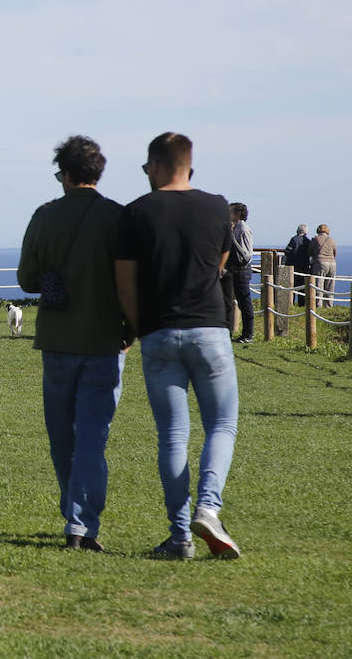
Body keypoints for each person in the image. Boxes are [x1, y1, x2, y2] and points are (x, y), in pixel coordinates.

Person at [115, 132, 241, 561]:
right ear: (189, 164)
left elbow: (125, 284)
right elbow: (219, 265)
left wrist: (136, 327)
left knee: (172, 434)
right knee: (221, 426)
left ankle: (180, 536)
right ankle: (209, 505)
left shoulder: (135, 213)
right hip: (210, 330)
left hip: (159, 333)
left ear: (155, 165)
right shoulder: (217, 208)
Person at [16, 135, 127, 552]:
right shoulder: (117, 217)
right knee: (93, 437)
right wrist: (128, 330)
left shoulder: (45, 217)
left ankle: (74, 511)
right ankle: (82, 522)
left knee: (62, 435)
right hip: (104, 340)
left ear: (64, 174)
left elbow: (27, 279)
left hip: (58, 339)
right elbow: (131, 283)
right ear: (98, 172)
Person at [221, 202, 254, 344]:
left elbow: (247, 254)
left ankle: (248, 334)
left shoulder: (243, 229)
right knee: (237, 302)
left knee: (244, 302)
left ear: (238, 214)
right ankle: (239, 333)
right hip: (234, 269)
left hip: (242, 270)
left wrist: (233, 240)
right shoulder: (236, 228)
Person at [310, 224, 338, 307]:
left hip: (320, 263)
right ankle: (329, 305)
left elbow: (310, 252)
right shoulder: (331, 240)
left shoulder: (315, 239)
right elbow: (335, 253)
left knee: (319, 284)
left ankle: (319, 304)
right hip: (332, 264)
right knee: (330, 285)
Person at [283, 224, 311, 307]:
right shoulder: (308, 241)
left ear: (297, 231)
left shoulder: (294, 239)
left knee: (292, 286)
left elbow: (287, 251)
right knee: (302, 288)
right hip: (304, 267)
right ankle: (301, 305)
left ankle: (290, 303)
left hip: (293, 266)